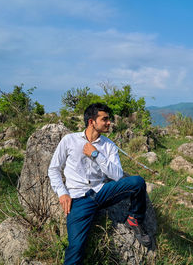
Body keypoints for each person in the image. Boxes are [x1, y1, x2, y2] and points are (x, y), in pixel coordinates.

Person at [48, 103, 151, 265]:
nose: (109, 123)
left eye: (108, 119)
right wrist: (62, 193)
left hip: (102, 192)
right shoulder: (69, 140)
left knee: (137, 182)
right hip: (78, 200)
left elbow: (117, 175)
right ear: (91, 122)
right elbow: (53, 169)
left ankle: (135, 219)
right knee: (75, 249)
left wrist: (96, 154)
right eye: (105, 119)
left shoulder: (109, 146)